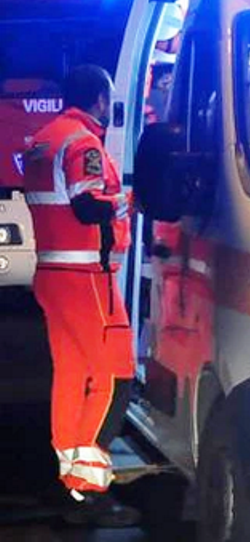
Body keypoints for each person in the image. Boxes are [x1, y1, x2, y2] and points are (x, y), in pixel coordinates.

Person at [22, 65, 135, 513]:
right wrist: (129, 200)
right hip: (87, 277)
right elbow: (87, 206)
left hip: (53, 274)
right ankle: (89, 485)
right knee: (113, 375)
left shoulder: (44, 140)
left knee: (72, 374)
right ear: (100, 99)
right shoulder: (83, 143)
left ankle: (68, 477)